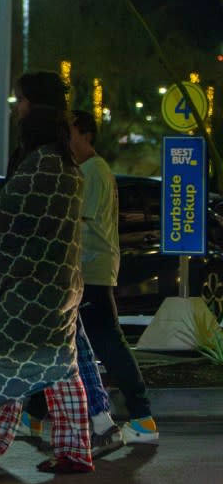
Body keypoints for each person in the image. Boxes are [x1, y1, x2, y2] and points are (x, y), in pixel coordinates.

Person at [0, 75, 123, 461]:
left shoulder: (42, 163)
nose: (15, 107)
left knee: (6, 359)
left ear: (34, 107)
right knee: (58, 366)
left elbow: (7, 213)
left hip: (29, 285)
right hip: (56, 283)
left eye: (20, 100)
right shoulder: (62, 163)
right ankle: (76, 444)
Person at [64, 109, 157, 444]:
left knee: (107, 343)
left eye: (70, 133)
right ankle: (35, 415)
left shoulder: (92, 172)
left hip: (92, 269)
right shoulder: (92, 170)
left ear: (86, 135)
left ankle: (142, 418)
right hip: (89, 269)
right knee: (72, 344)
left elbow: (78, 221)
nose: (66, 140)